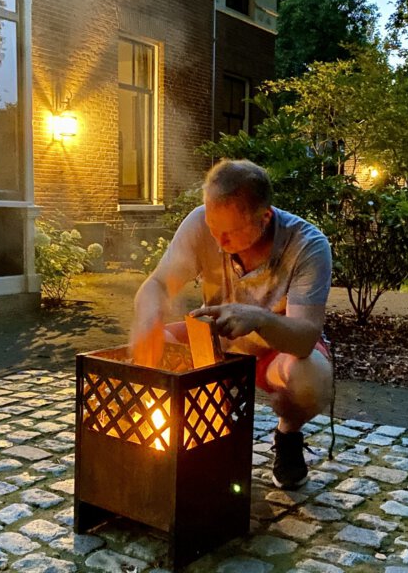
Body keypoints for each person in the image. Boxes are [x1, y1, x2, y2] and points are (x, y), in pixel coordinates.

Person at [130, 158, 333, 489]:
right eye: (211, 227)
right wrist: (149, 320)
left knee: (308, 380)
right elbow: (156, 285)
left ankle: (288, 434)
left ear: (264, 218)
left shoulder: (307, 245)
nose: (216, 240)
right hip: (215, 342)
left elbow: (304, 338)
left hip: (277, 351)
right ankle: (198, 434)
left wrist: (256, 318)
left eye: (228, 233)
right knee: (160, 340)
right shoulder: (200, 224)